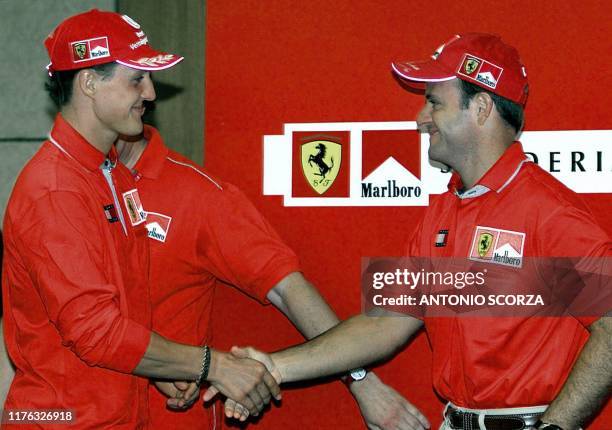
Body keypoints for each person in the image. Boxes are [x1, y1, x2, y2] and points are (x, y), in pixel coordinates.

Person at [224, 33, 612, 430]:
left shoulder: (547, 211)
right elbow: (383, 323)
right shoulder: (444, 211)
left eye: (434, 102)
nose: (420, 118)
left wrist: (556, 427)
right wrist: (275, 366)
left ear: (480, 108)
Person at [1, 10, 279, 429]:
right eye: (136, 79)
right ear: (89, 83)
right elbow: (96, 332)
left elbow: (122, 304)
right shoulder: (55, 190)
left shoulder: (107, 171)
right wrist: (211, 365)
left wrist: (157, 367)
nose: (150, 93)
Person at [110, 124, 429, 428]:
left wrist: (361, 381)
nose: (422, 119)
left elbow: (378, 319)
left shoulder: (198, 195)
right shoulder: (69, 185)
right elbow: (86, 319)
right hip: (77, 410)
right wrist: (169, 365)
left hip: (165, 418)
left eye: (435, 102)